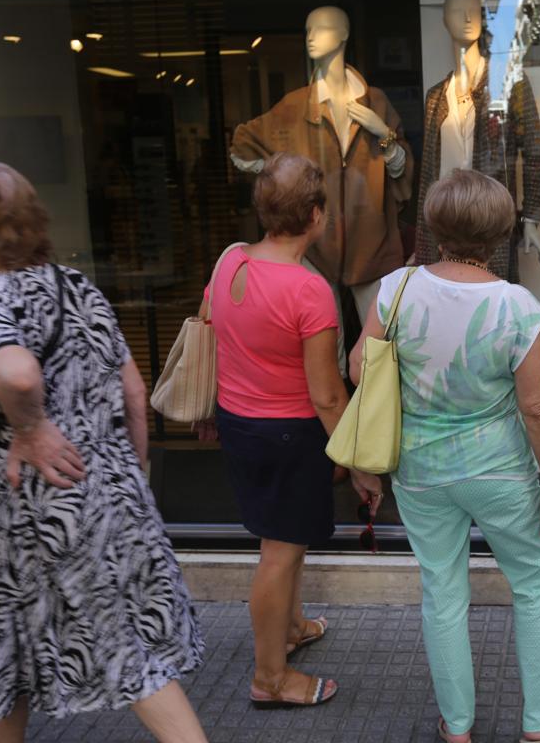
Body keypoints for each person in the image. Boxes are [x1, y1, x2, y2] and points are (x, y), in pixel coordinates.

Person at [0, 159, 206, 743]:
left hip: (35, 515)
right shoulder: (79, 287)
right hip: (108, 494)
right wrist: (125, 479)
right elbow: (133, 393)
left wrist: (29, 430)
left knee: (100, 654)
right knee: (9, 655)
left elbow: (18, 374)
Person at [349, 169, 540, 743]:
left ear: (434, 227)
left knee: (442, 590)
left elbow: (361, 366)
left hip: (420, 471)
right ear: (502, 233)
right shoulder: (516, 304)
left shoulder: (398, 289)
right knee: (534, 587)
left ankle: (457, 726)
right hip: (501, 470)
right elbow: (537, 407)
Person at [193, 153, 382, 708]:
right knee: (278, 551)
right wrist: (361, 462)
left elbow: (213, 333)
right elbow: (325, 393)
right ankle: (269, 678)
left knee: (284, 540)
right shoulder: (308, 290)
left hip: (241, 424)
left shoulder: (230, 263)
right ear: (317, 215)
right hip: (288, 434)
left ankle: (292, 626)